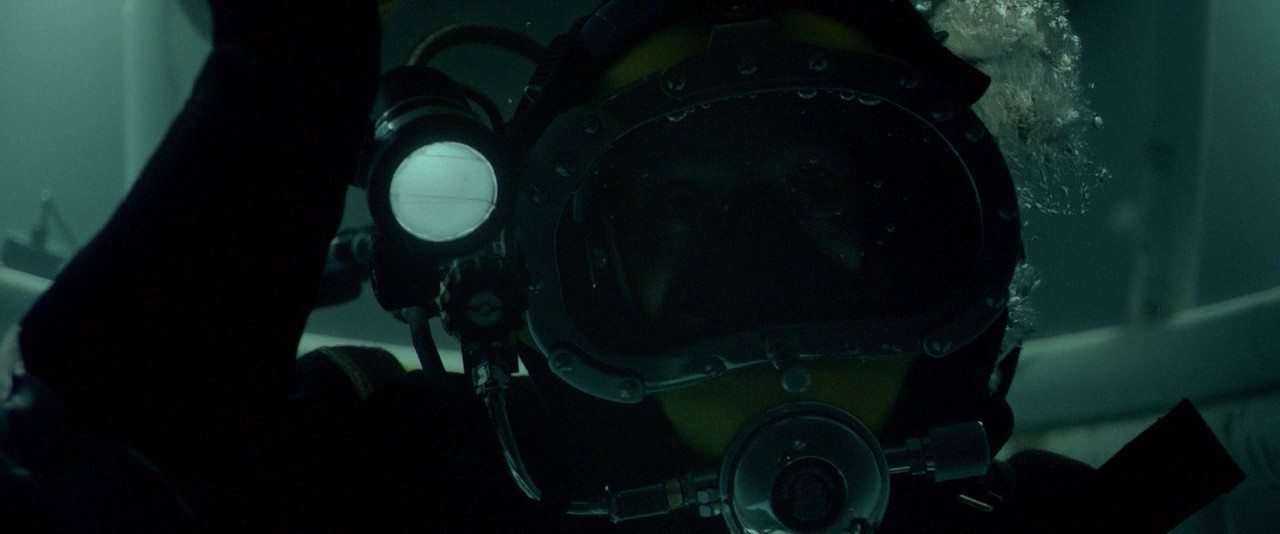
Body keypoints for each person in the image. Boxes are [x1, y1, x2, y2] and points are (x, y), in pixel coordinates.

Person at [0, 0, 1243, 532]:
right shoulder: (390, 485)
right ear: (560, 258)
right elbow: (88, 477)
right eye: (676, 204)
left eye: (819, 190)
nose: (756, 254)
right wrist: (289, 78)